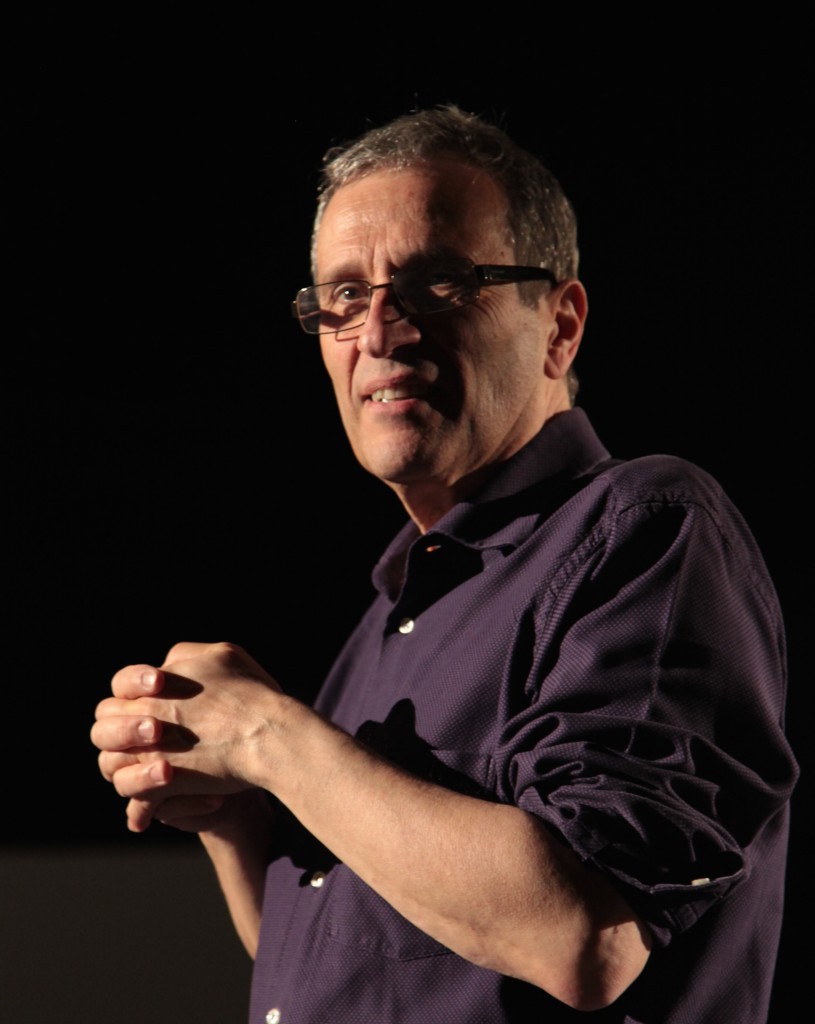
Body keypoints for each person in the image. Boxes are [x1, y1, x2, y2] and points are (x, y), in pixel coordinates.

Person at [92, 105, 798, 1023]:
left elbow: (582, 934)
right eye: (344, 295)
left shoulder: (646, 528)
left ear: (559, 325)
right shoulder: (390, 612)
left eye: (436, 283)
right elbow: (356, 960)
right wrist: (234, 814)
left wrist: (271, 737)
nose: (378, 332)